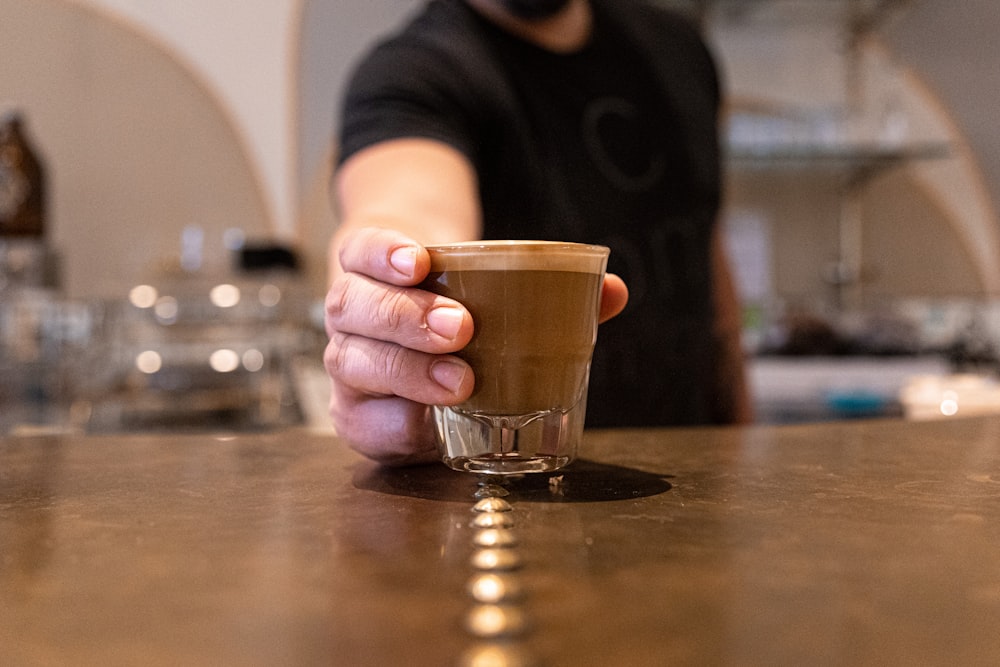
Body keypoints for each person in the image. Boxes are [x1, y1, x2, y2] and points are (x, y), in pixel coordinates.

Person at [324, 0, 752, 466]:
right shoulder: (412, 74)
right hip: (516, 495)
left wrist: (741, 420)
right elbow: (407, 210)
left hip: (698, 478)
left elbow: (703, 238)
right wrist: (387, 298)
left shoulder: (679, 49)